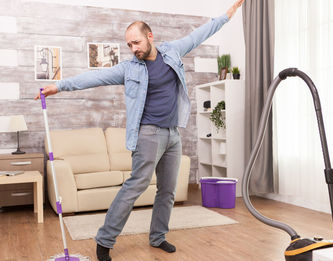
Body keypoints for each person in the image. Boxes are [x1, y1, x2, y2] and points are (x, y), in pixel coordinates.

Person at [35, 1, 244, 260]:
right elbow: (95, 77)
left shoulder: (173, 52)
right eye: (129, 45)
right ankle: (105, 239)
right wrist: (60, 86)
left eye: (136, 43)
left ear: (150, 36)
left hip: (173, 134)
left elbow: (200, 34)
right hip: (148, 134)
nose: (133, 49)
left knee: (167, 190)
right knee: (135, 185)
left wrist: (227, 15)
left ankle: (158, 236)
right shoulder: (129, 68)